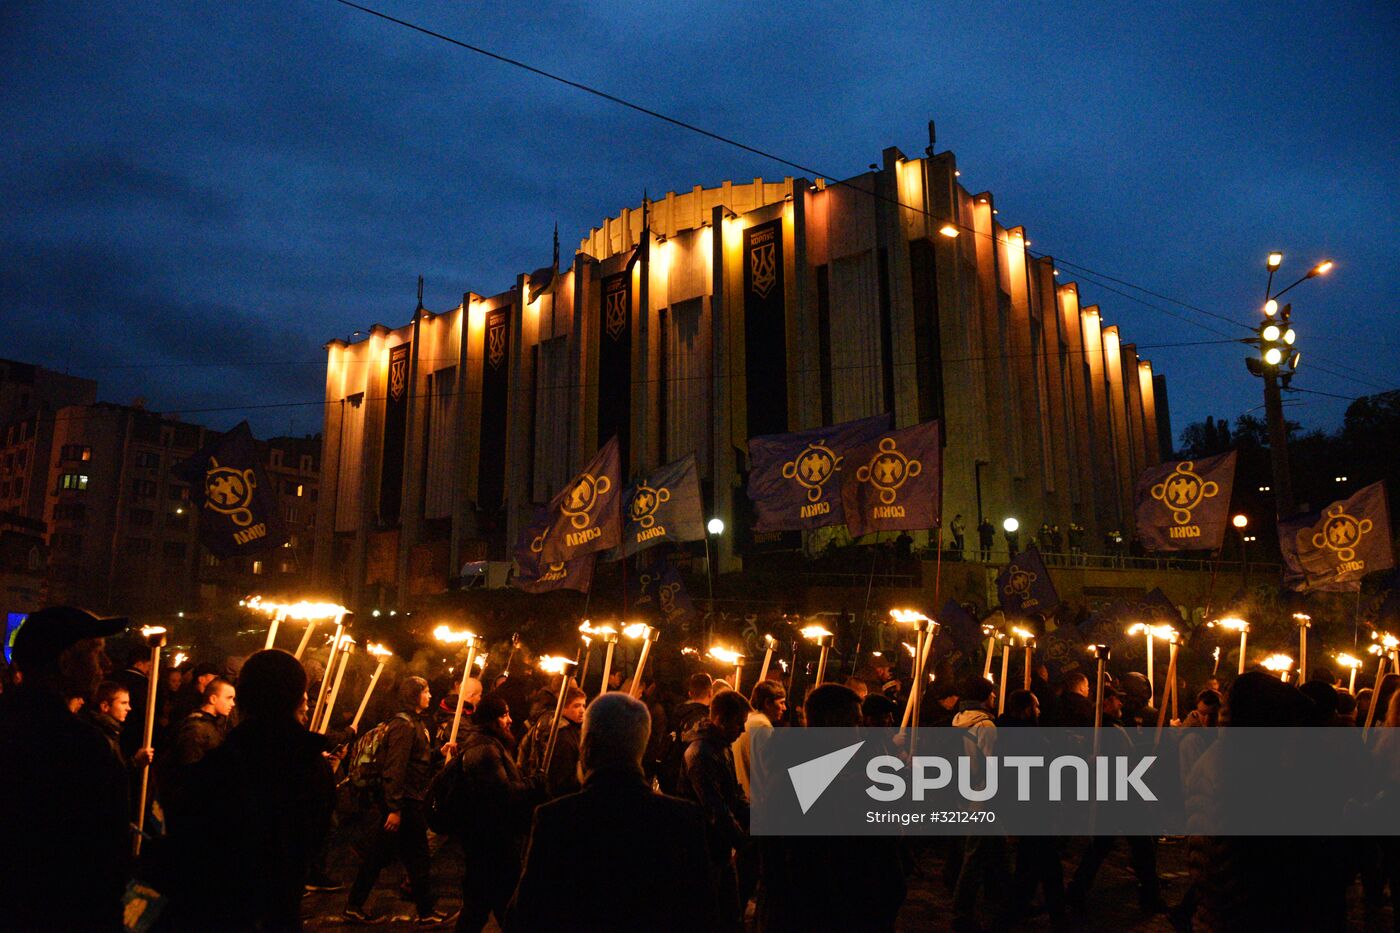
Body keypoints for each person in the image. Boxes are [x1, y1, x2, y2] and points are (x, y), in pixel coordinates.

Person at [505, 692, 718, 932]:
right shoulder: (682, 819)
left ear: (587, 747)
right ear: (641, 746)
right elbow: (703, 912)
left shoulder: (558, 819)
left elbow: (525, 913)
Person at [165, 648, 334, 931]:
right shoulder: (310, 766)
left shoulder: (219, 767)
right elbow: (315, 835)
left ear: (243, 698)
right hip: (273, 911)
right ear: (299, 700)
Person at [0, 606, 130, 932]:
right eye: (96, 653)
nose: (106, 665)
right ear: (65, 662)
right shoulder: (82, 747)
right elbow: (103, 858)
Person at [757, 683, 905, 932]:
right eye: (853, 724)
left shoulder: (829, 775)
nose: (859, 734)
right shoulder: (804, 784)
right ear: (830, 725)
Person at [345, 675, 450, 924]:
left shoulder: (415, 722)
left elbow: (416, 760)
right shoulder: (403, 725)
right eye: (426, 691)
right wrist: (394, 808)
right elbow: (396, 768)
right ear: (415, 695)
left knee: (381, 856)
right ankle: (425, 911)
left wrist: (438, 753)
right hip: (404, 803)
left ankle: (354, 905)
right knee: (418, 857)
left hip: (407, 801)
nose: (430, 696)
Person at [452, 693, 540, 932]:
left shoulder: (489, 744)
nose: (510, 720)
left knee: (481, 906)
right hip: (492, 841)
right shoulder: (485, 749)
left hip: (489, 840)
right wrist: (533, 784)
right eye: (504, 715)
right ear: (492, 719)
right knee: (503, 904)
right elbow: (501, 794)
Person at [679, 687, 751, 928]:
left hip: (718, 846)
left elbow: (733, 794)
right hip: (705, 848)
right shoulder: (701, 754)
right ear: (719, 720)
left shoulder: (720, 747)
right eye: (738, 724)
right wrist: (743, 841)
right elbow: (715, 808)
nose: (742, 730)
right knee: (715, 915)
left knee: (730, 912)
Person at [160, 677, 234, 816]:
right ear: (213, 699)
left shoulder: (213, 725)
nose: (233, 703)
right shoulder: (196, 728)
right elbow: (189, 769)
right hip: (193, 804)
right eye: (229, 698)